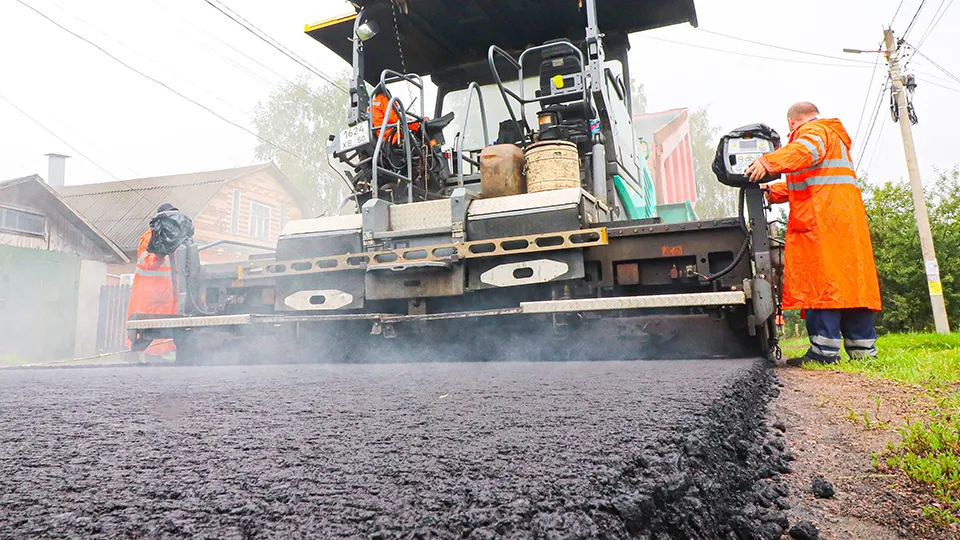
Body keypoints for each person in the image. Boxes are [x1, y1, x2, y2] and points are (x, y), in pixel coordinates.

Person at [745, 102, 881, 366]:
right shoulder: (832, 138)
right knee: (852, 284)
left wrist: (767, 162)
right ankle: (863, 351)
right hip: (842, 220)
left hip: (824, 222)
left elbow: (802, 152)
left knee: (822, 282)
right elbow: (807, 184)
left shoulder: (814, 131)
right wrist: (772, 192)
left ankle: (824, 352)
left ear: (793, 123)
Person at [125, 203, 178, 357]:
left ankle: (156, 358)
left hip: (164, 296)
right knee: (146, 331)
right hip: (148, 297)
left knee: (160, 332)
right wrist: (159, 254)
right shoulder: (150, 237)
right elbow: (148, 262)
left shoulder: (172, 240)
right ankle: (137, 357)